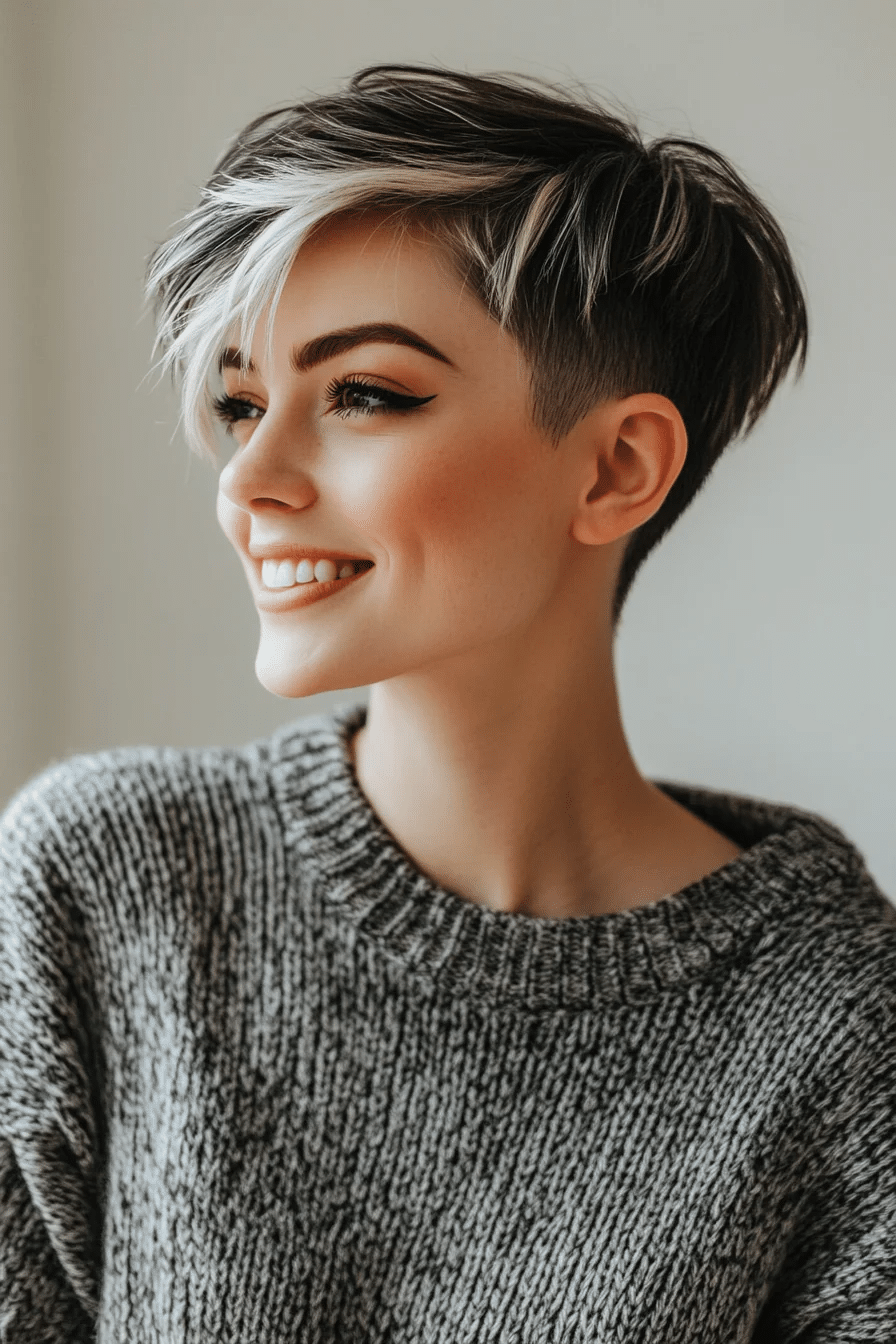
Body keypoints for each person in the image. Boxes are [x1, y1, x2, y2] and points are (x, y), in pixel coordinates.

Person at [1, 64, 893, 1343]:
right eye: (241, 401)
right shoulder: (104, 882)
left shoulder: (838, 1016)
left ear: (615, 466)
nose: (249, 475)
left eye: (363, 392)